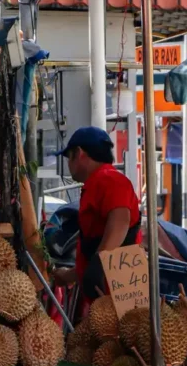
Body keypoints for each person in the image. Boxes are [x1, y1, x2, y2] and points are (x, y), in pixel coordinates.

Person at [54, 126, 142, 299]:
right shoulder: (96, 184)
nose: (68, 164)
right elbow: (96, 244)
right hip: (105, 298)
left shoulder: (110, 179)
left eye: (68, 157)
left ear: (78, 153)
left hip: (120, 298)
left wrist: (98, 265)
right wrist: (69, 275)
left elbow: (120, 222)